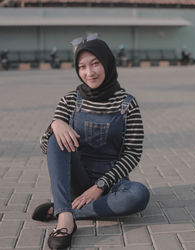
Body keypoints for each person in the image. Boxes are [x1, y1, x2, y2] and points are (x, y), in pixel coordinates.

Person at [32, 36, 150, 250]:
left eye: (95, 63)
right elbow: (46, 147)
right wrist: (54, 125)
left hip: (113, 183)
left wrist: (100, 186)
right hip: (77, 178)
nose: (89, 72)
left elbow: (133, 153)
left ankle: (62, 209)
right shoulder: (69, 100)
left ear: (107, 63)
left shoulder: (127, 103)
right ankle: (66, 219)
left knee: (139, 195)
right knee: (56, 138)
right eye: (82, 66)